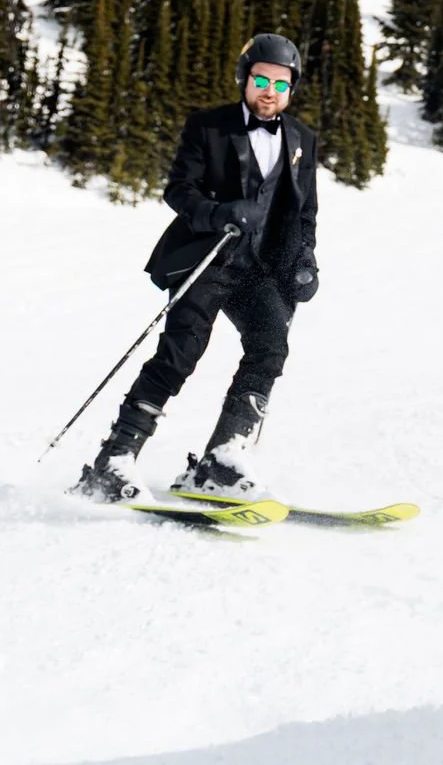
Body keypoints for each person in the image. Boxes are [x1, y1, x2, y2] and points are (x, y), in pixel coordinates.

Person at [76, 33, 321, 504]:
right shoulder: (209, 127)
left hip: (258, 267)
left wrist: (304, 260)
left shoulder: (302, 140)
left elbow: (304, 211)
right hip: (205, 257)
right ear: (244, 79)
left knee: (270, 346)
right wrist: (221, 213)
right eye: (261, 80)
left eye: (281, 84)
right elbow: (179, 191)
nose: (270, 91)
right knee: (181, 352)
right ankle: (114, 459)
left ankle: (223, 459)